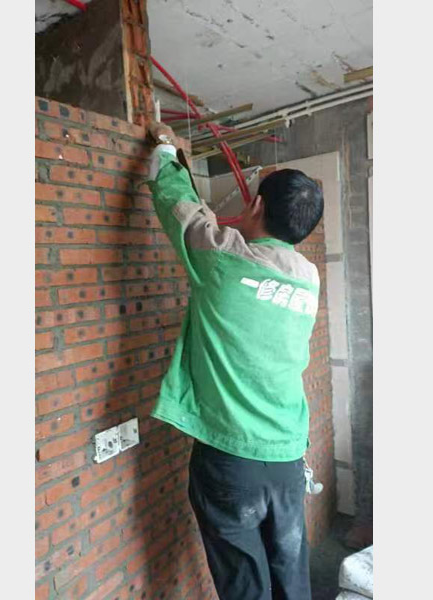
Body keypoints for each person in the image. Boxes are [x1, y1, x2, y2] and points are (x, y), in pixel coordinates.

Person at [145, 121, 324, 600]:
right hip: (287, 455)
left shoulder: (223, 257)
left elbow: (179, 207)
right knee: (290, 573)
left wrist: (166, 150)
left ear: (257, 206)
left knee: (246, 587)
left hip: (231, 459)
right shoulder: (308, 278)